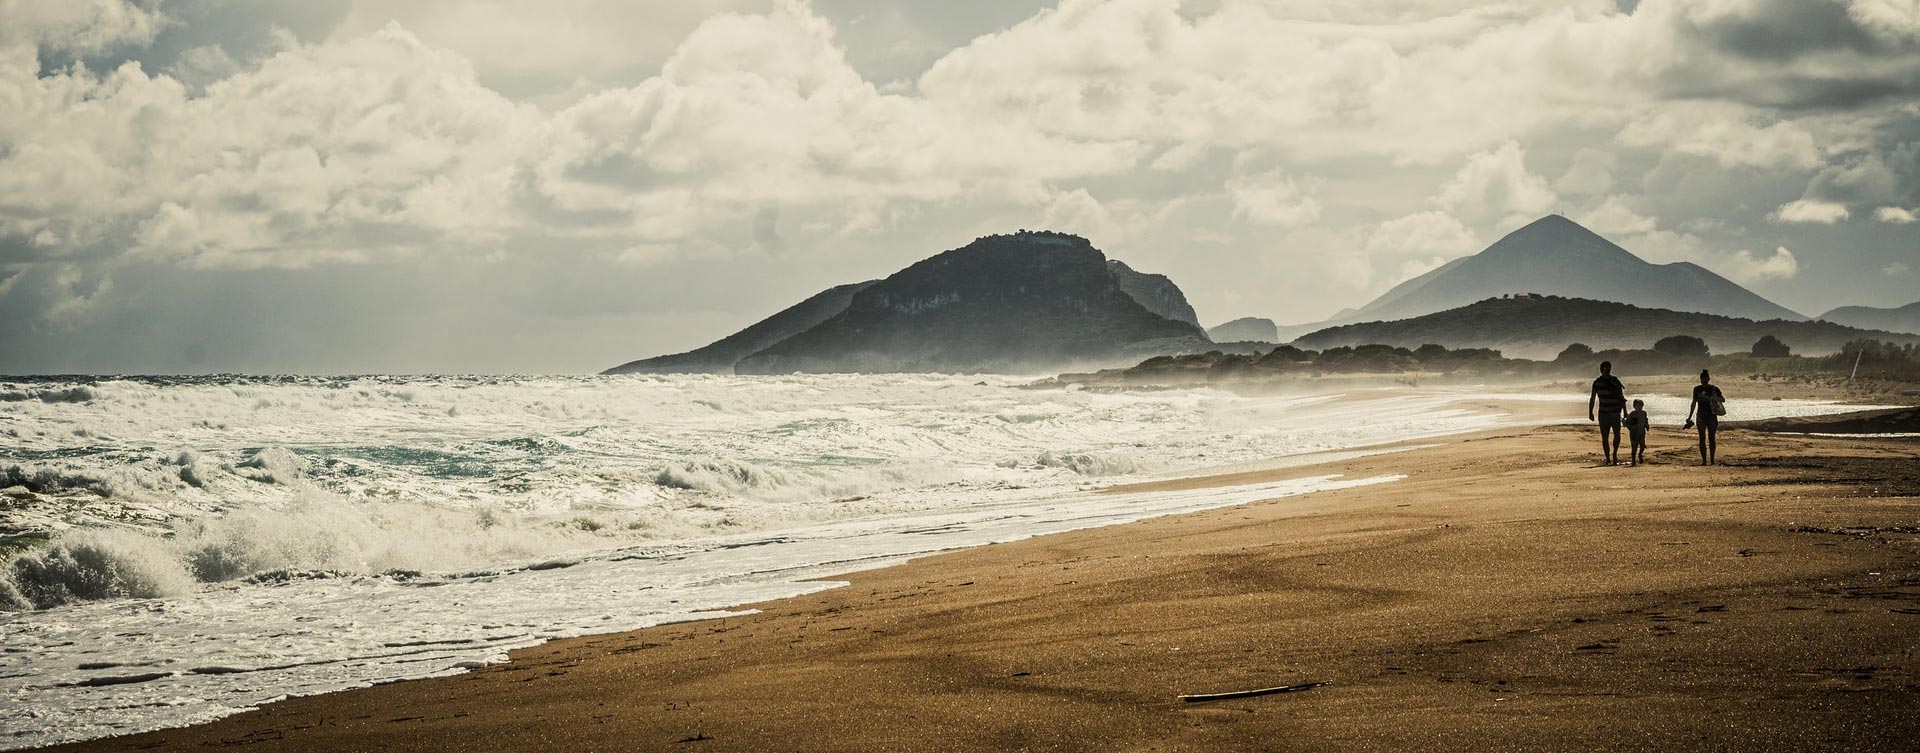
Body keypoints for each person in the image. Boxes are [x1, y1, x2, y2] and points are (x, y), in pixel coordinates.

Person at [1588, 361, 1627, 465]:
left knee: (1617, 435)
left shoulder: (1615, 381)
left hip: (1615, 413)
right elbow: (1592, 398)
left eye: (1609, 369)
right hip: (1603, 413)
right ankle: (1608, 458)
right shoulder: (1597, 382)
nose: (1607, 371)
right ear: (1601, 370)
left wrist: (1625, 412)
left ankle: (1614, 454)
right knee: (1604, 437)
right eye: (1605, 369)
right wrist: (1590, 412)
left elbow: (1621, 397)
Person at [1684, 369, 1724, 465]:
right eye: (1703, 378)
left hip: (1712, 415)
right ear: (1701, 379)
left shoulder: (1714, 388)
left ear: (1708, 378)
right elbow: (1693, 403)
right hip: (1701, 415)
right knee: (1702, 438)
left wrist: (1715, 398)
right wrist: (1689, 416)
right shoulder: (1697, 389)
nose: (1704, 379)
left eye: (1705, 378)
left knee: (1711, 438)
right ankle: (1704, 461)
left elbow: (1723, 399)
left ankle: (1712, 460)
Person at [1624, 399, 1650, 466]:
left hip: (1642, 432)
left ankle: (1640, 454)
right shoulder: (1632, 414)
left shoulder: (1644, 413)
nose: (1639, 407)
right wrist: (1630, 427)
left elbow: (1645, 420)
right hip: (1634, 433)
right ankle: (1633, 461)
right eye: (1637, 406)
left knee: (1642, 446)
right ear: (1634, 406)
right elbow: (1626, 422)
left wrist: (1647, 426)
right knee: (1634, 448)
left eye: (1641, 406)